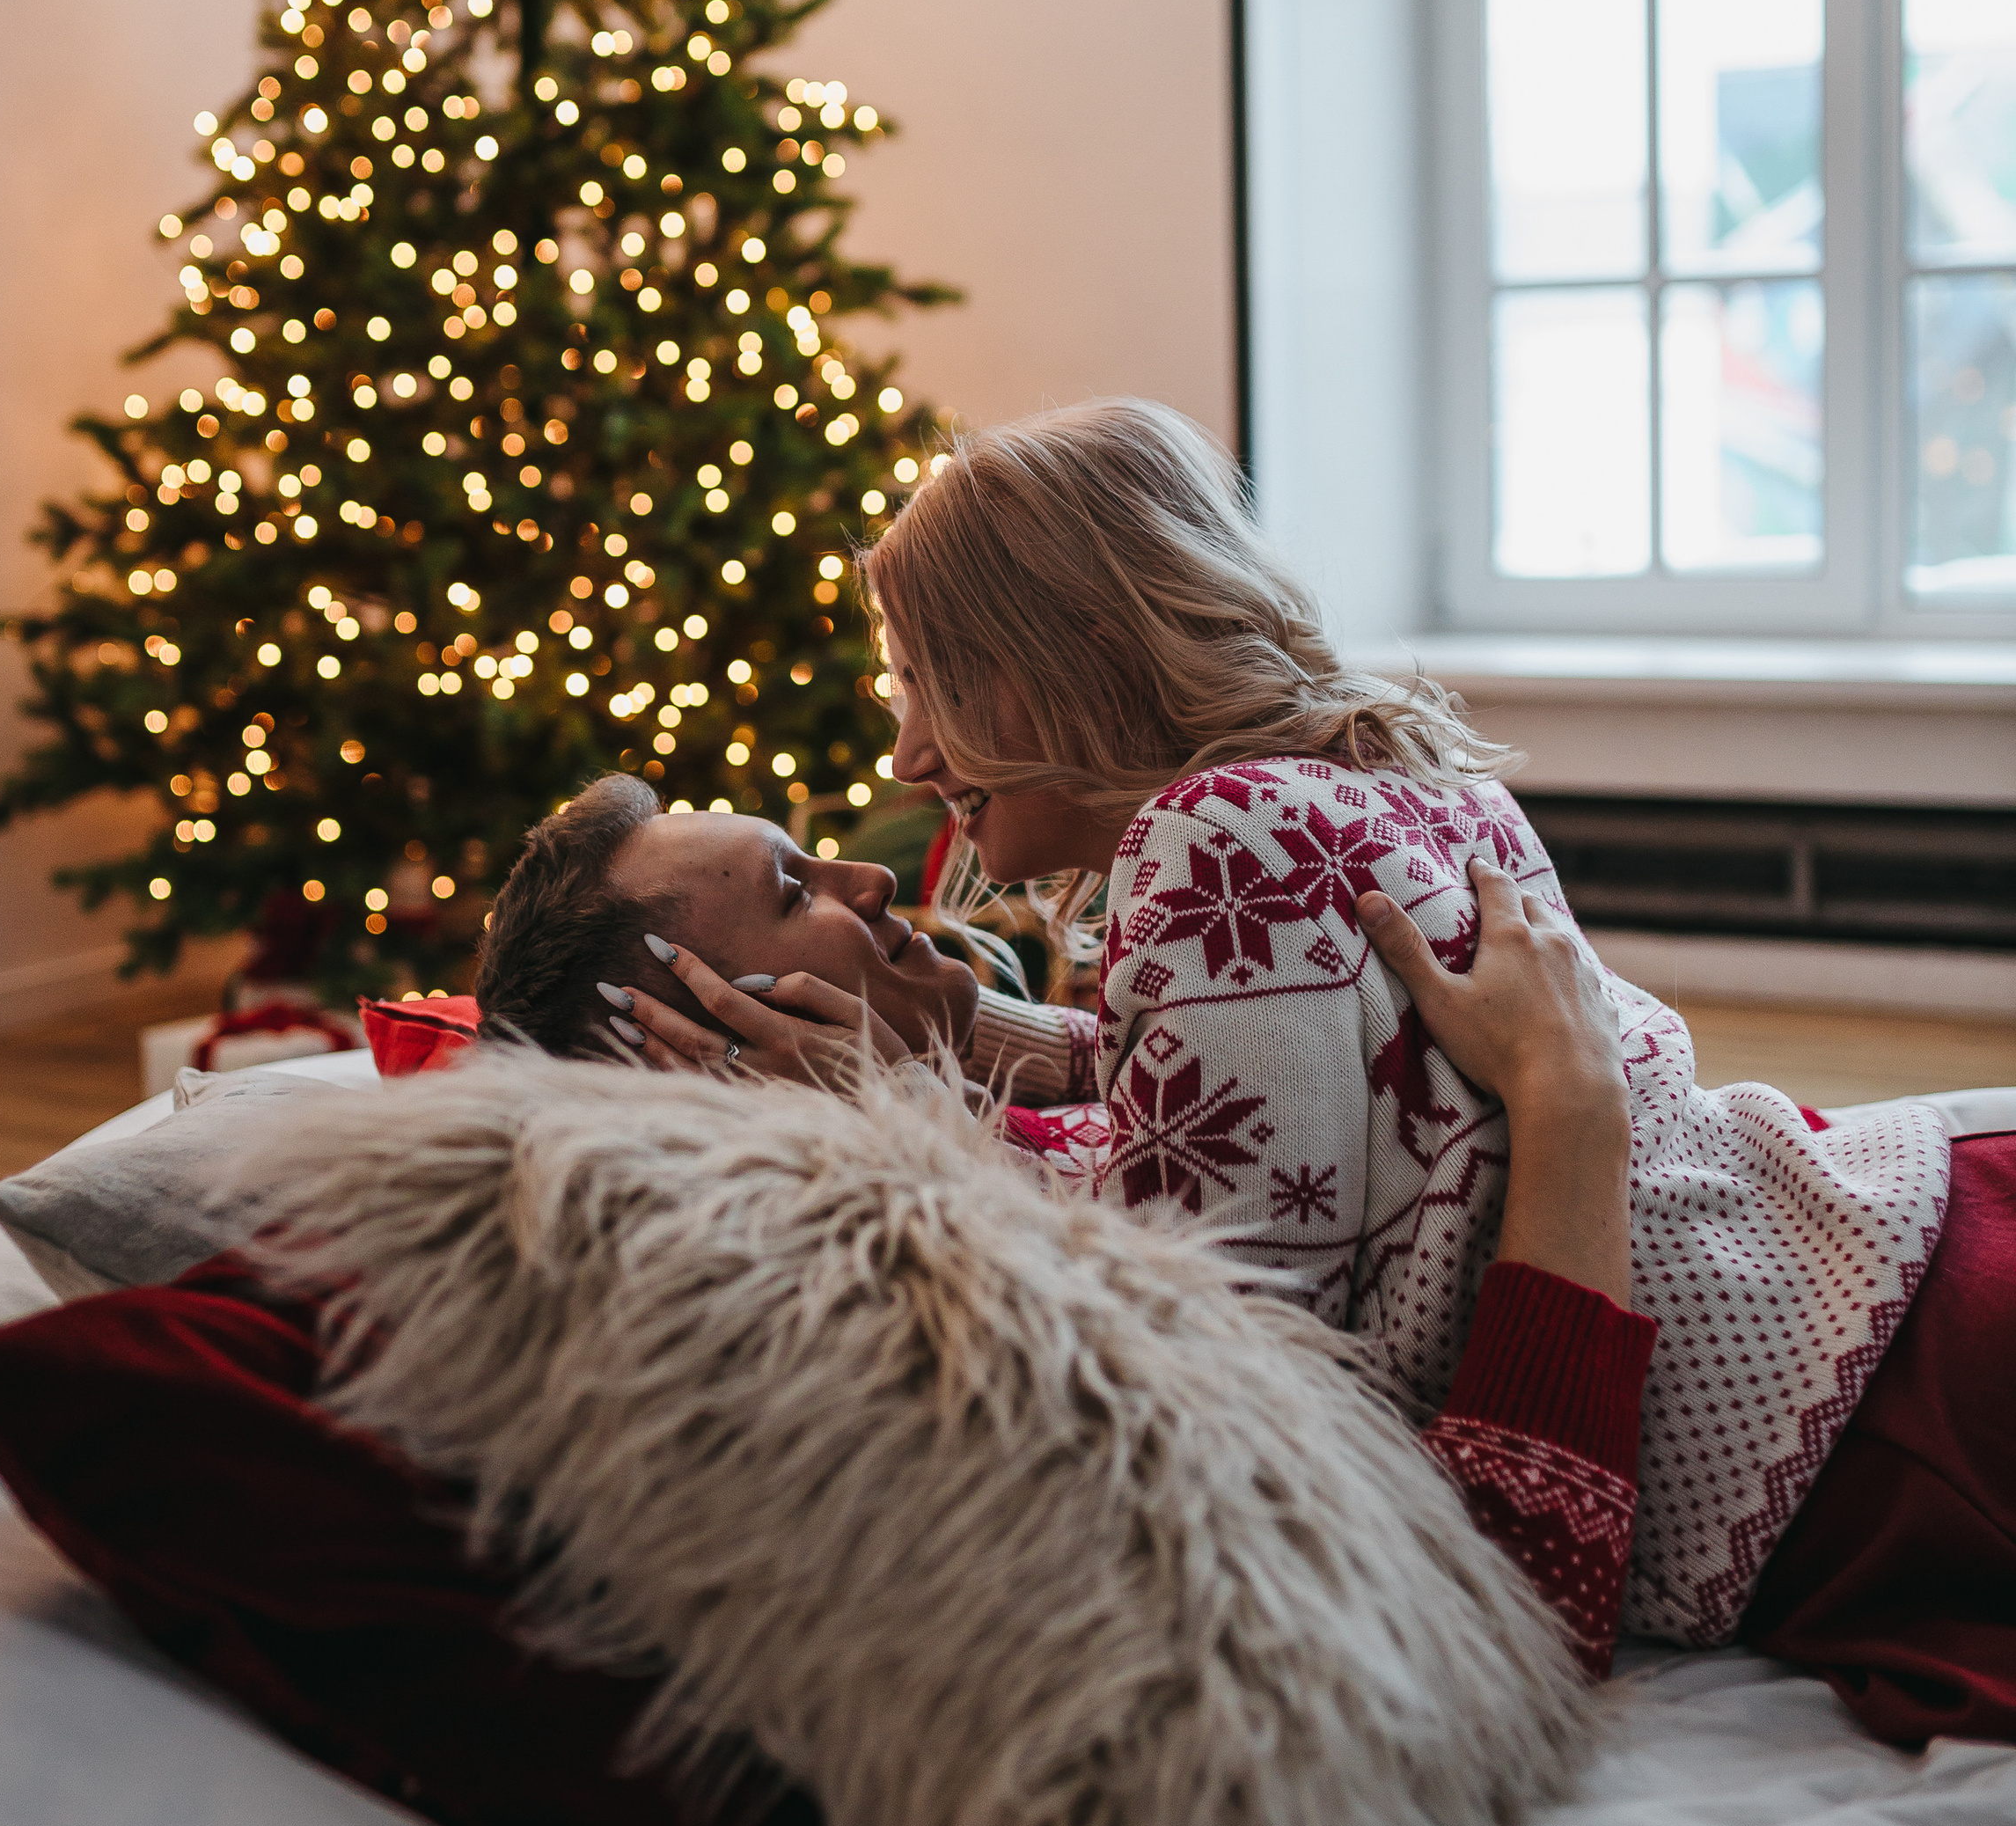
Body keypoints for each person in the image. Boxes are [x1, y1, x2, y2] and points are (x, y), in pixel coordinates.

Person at [476, 402, 2012, 1742]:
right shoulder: (1338, 782)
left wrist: (927, 1125)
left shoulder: (1207, 849)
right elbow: (1275, 1124)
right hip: (1886, 1243)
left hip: (1888, 1400)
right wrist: (960, 1060)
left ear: (1056, 663)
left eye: (926, 680)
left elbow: (1226, 1330)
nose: (903, 763)